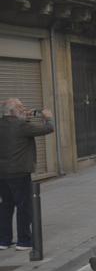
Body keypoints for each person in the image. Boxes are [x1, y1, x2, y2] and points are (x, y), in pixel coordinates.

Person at [0, 99, 54, 251]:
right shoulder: (22, 126)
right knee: (24, 207)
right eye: (21, 107)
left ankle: (3, 240)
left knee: (5, 206)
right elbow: (48, 128)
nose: (25, 109)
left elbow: (20, 128)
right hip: (19, 173)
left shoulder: (5, 124)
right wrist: (47, 117)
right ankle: (24, 241)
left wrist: (25, 116)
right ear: (14, 110)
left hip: (2, 174)